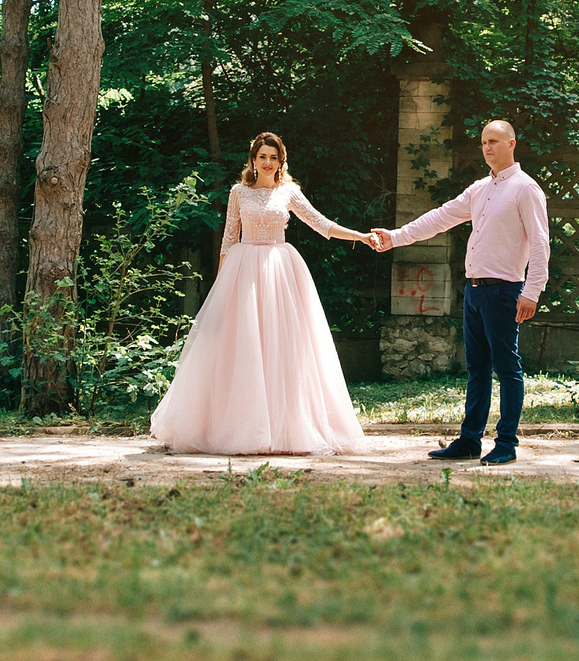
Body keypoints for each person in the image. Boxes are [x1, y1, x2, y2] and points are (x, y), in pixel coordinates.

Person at [150, 131, 373, 456]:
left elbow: (320, 223)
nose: (268, 162)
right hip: (244, 272)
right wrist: (221, 289)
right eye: (262, 156)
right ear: (253, 160)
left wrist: (359, 236)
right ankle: (236, 428)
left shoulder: (289, 192)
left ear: (281, 161)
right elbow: (228, 238)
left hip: (281, 272)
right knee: (242, 349)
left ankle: (287, 429)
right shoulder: (239, 192)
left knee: (283, 349)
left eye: (273, 157)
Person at [369, 119, 547, 466]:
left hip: (506, 291)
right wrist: (397, 236)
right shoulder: (480, 189)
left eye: (494, 141)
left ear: (512, 144)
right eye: (483, 142)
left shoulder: (526, 189)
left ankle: (507, 443)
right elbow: (440, 217)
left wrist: (533, 290)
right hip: (475, 291)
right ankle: (469, 441)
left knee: (507, 368)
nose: (488, 148)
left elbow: (540, 243)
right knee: (476, 368)